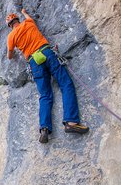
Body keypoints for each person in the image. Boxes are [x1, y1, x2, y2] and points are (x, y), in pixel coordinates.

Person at [6, 9, 89, 143]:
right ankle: (71, 122)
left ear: (9, 25)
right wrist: (24, 11)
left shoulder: (11, 37)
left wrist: (15, 50)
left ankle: (44, 128)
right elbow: (28, 16)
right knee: (65, 84)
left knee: (45, 95)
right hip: (46, 52)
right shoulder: (28, 22)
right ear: (18, 20)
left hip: (34, 61)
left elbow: (9, 55)